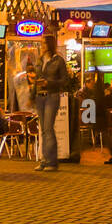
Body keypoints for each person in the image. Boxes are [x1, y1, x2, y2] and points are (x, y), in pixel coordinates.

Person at [26, 35, 70, 172]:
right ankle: (45, 160)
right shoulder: (40, 61)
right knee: (43, 130)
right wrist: (32, 96)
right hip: (40, 97)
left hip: (52, 96)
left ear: (50, 45)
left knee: (48, 128)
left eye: (44, 43)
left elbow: (65, 81)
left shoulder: (58, 61)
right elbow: (37, 80)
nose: (42, 46)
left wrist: (49, 83)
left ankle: (52, 161)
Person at [90, 72, 112, 165]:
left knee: (106, 136)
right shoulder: (105, 93)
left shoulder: (104, 93)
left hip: (102, 117)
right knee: (106, 136)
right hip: (103, 116)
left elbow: (102, 103)